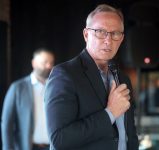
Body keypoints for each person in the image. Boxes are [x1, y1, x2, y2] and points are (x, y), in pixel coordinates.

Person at [44, 4, 139, 150]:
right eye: (101, 31)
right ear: (86, 35)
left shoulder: (122, 78)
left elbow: (129, 134)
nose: (108, 40)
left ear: (121, 39)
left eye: (115, 33)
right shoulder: (64, 74)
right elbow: (59, 139)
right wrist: (110, 113)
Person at [1, 48, 55, 150]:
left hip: (53, 147)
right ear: (34, 63)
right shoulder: (17, 88)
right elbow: (7, 123)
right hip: (27, 147)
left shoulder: (57, 87)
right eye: (45, 62)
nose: (49, 66)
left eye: (51, 62)